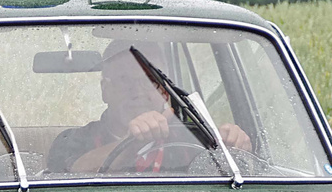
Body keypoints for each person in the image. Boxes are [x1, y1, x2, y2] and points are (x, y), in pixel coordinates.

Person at [46, 41, 251, 174]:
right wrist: (130, 142)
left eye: (150, 82)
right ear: (105, 90)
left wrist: (233, 147)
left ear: (164, 91)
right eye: (124, 81)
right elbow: (73, 174)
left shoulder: (191, 142)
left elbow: (224, 185)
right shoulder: (72, 140)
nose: (138, 92)